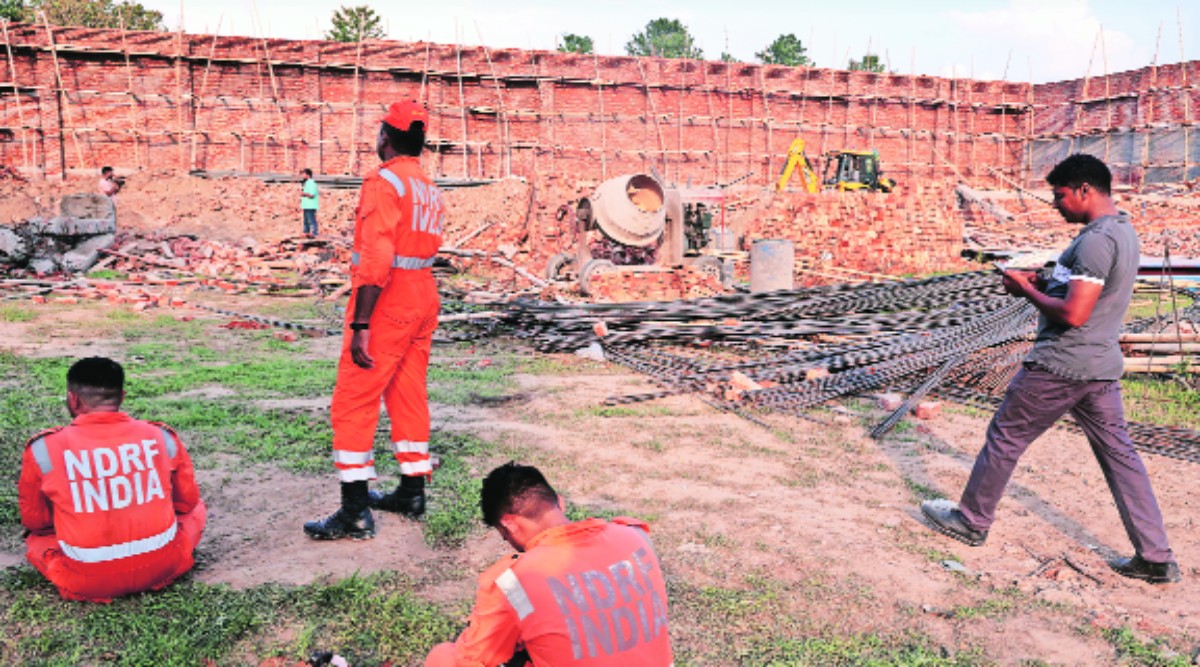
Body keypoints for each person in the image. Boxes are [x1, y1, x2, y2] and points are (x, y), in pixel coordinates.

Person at [920, 154, 1180, 584]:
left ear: (1084, 190)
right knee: (1121, 457)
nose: (1056, 205)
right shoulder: (1122, 232)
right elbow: (1085, 293)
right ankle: (1155, 556)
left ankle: (971, 520)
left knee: (1006, 436)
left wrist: (1023, 290)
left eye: (1059, 196)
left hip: (1061, 363)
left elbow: (1074, 314)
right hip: (1099, 366)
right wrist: (1044, 283)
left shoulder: (1096, 241)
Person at [304, 100, 444, 540]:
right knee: (407, 392)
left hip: (389, 300)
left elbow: (378, 255)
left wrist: (361, 325)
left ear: (385, 136)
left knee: (354, 399)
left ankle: (355, 510)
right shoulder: (427, 186)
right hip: (423, 295)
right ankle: (411, 492)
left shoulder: (384, 181)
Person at [424, 463, 673, 667]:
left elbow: (472, 659)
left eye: (505, 536)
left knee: (444, 657)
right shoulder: (635, 536)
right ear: (560, 503)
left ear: (509, 525)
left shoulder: (513, 580)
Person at [17, 357, 207, 602]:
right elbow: (186, 502)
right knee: (196, 510)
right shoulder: (161, 436)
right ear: (122, 397)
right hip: (164, 566)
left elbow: (36, 522)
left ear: (73, 399)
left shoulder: (42, 448)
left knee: (38, 540)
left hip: (84, 581)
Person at [301, 168, 320, 236]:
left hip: (310, 205)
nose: (302, 175)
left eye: (303, 174)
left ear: (307, 175)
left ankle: (315, 233)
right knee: (306, 221)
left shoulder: (312, 183)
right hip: (306, 205)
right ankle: (306, 232)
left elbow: (312, 195)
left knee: (311, 220)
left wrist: (304, 194)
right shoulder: (307, 183)